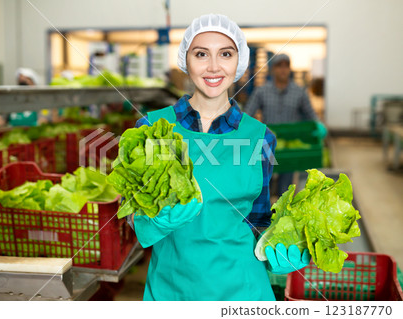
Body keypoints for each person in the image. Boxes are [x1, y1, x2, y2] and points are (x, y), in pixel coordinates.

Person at [127, 14, 310, 301]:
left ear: (239, 62)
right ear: (185, 61)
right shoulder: (150, 129)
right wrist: (151, 219)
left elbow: (258, 219)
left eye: (225, 54)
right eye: (201, 54)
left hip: (244, 291)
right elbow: (126, 214)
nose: (213, 66)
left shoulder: (260, 137)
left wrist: (282, 243)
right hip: (173, 289)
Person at [244, 53, 326, 196]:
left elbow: (310, 114)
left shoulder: (299, 92)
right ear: (272, 70)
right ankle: (264, 215)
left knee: (286, 188)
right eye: (279, 66)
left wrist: (319, 125)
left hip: (289, 147)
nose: (283, 69)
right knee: (264, 185)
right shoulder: (261, 91)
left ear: (289, 69)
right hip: (267, 144)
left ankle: (281, 215)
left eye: (286, 66)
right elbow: (247, 114)